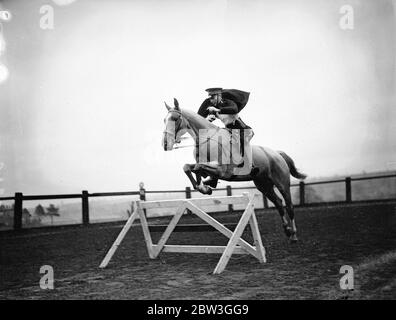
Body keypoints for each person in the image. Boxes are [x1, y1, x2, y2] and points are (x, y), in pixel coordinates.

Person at [197, 88, 254, 170]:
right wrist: (207, 119)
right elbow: (199, 116)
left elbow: (234, 109)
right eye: (210, 98)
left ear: (219, 96)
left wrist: (217, 110)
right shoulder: (213, 107)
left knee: (243, 139)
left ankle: (249, 164)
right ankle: (214, 176)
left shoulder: (228, 102)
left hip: (241, 129)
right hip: (228, 130)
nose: (211, 100)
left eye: (213, 97)